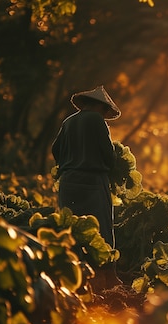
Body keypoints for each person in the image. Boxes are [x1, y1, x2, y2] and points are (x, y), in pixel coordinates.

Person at [51, 85, 122, 290]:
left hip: (68, 182)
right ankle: (109, 277)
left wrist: (70, 162)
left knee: (72, 229)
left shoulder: (68, 121)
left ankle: (78, 278)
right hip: (92, 181)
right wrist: (111, 165)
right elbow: (108, 155)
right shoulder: (96, 120)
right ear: (100, 107)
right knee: (102, 228)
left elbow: (56, 150)